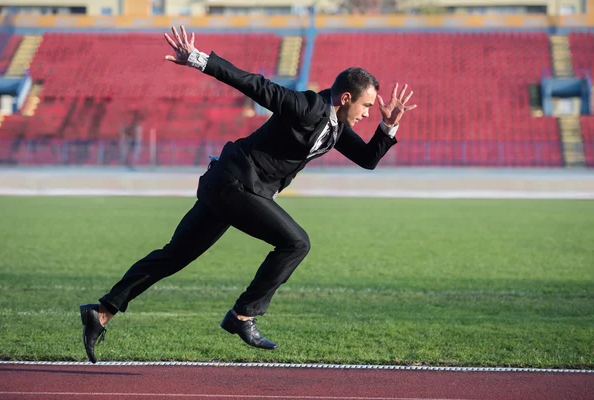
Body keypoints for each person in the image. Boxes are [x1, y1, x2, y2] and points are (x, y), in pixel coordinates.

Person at [80, 25, 417, 363]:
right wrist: (199, 59)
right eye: (367, 106)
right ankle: (243, 316)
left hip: (227, 186)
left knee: (174, 256)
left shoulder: (336, 128)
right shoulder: (307, 107)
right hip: (236, 184)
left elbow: (368, 159)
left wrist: (388, 127)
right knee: (296, 243)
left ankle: (102, 312)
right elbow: (256, 85)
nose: (368, 112)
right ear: (346, 98)